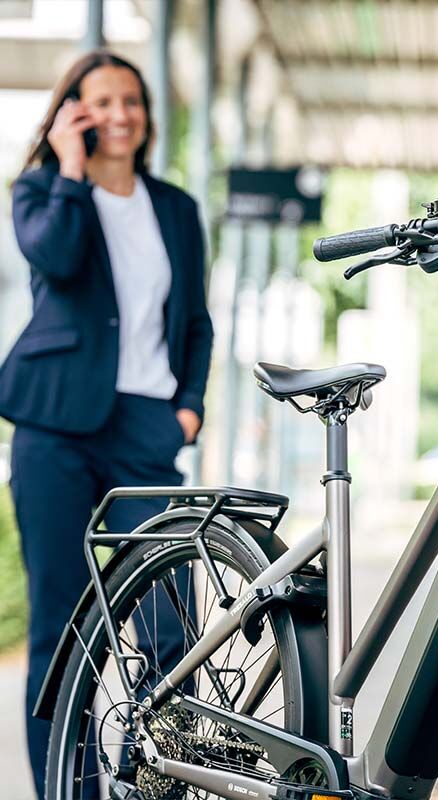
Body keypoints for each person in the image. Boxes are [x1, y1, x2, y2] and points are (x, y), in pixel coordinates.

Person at [0, 50, 213, 797]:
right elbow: (57, 261)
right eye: (103, 101)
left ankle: (156, 782)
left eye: (133, 100)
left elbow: (195, 321)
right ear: (76, 111)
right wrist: (68, 165)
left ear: (147, 113)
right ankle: (69, 789)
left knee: (170, 625)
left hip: (147, 430)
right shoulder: (41, 191)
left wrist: (188, 409)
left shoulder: (176, 208)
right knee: (62, 630)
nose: (121, 114)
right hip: (55, 428)